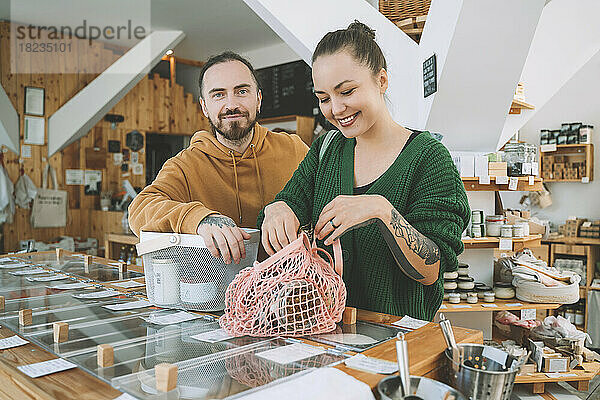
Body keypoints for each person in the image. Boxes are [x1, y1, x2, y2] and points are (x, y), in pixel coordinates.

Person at [258, 22, 470, 321]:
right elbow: (291, 202)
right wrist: (277, 209)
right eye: (324, 98)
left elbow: (431, 269)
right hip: (326, 336)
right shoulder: (325, 150)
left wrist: (382, 210)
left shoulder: (428, 158)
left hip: (397, 342)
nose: (336, 108)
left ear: (381, 80)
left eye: (346, 91)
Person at [129, 51, 308, 264]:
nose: (231, 104)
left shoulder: (294, 148)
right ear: (205, 107)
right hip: (217, 292)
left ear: (258, 99)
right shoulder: (185, 165)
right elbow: (139, 209)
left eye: (241, 91)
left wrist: (286, 205)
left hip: (290, 289)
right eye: (218, 94)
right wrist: (199, 219)